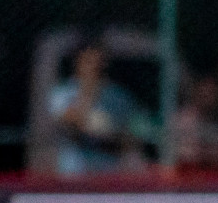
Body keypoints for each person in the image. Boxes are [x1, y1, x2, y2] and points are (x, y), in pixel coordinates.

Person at [48, 37, 147, 176]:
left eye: (98, 62)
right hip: (74, 173)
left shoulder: (118, 96)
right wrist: (89, 90)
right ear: (78, 62)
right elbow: (72, 122)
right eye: (88, 61)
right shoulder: (62, 93)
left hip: (109, 172)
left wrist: (114, 138)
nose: (94, 67)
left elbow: (130, 136)